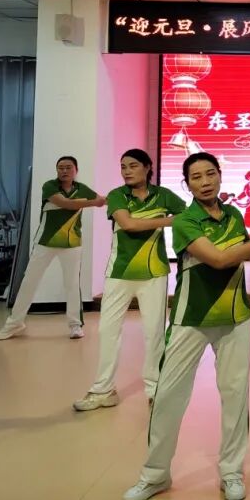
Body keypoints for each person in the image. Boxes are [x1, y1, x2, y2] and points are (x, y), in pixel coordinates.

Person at [123, 152, 250, 500]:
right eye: (196, 177)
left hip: (235, 318)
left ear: (220, 175)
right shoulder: (185, 221)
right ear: (187, 185)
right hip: (190, 320)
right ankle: (155, 475)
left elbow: (244, 248)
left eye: (210, 174)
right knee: (168, 398)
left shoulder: (233, 215)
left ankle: (231, 472)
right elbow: (218, 259)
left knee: (235, 397)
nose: (205, 182)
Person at [73, 149, 186, 412]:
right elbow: (128, 224)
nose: (126, 171)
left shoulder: (164, 195)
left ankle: (155, 389)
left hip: (155, 273)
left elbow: (190, 216)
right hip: (119, 273)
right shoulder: (117, 195)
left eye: (133, 165)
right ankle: (103, 390)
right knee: (107, 331)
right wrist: (170, 220)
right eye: (123, 166)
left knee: (154, 333)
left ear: (147, 167)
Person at [0, 156, 105, 341]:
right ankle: (14, 324)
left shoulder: (82, 189)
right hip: (45, 242)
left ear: (76, 170)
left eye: (68, 167)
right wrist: (94, 202)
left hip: (72, 244)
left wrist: (124, 200)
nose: (64, 171)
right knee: (29, 282)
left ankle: (75, 325)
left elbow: (103, 200)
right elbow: (66, 204)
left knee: (72, 285)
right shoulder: (50, 186)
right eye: (60, 167)